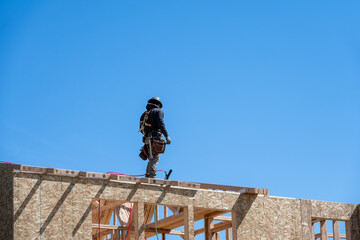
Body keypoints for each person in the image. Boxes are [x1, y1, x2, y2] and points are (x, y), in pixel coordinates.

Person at [139, 96, 171, 178]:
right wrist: (167, 136)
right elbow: (161, 124)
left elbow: (141, 129)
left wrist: (147, 136)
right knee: (154, 159)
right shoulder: (158, 111)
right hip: (155, 139)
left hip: (147, 140)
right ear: (158, 104)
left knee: (151, 158)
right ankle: (152, 178)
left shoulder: (144, 114)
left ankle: (148, 176)